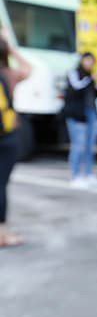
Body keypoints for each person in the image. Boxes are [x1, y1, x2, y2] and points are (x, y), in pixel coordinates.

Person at [0, 34, 32, 247]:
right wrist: (12, 49)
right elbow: (29, 69)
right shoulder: (9, 73)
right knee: (1, 184)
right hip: (7, 136)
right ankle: (2, 233)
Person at [62, 52, 97, 188]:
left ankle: (88, 174)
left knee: (90, 146)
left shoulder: (90, 76)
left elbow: (91, 95)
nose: (89, 63)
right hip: (76, 115)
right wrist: (90, 79)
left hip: (90, 113)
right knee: (78, 145)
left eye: (92, 61)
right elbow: (76, 89)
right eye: (87, 60)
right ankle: (75, 175)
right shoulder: (75, 74)